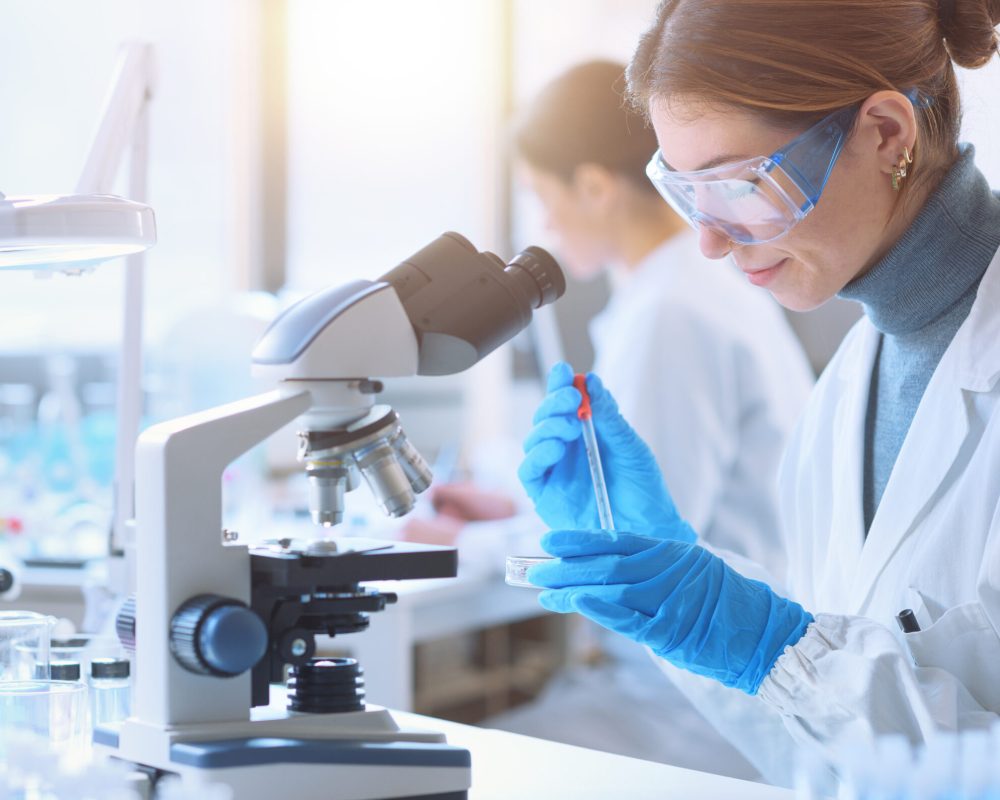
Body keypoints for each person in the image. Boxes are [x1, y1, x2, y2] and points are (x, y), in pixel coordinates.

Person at [519, 0, 1000, 788]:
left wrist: (759, 639)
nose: (708, 239)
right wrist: (697, 609)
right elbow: (828, 746)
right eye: (686, 192)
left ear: (886, 132)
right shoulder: (851, 386)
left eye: (739, 184)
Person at [405, 60, 814, 777]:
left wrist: (456, 546)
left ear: (594, 186)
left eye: (543, 197)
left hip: (694, 703)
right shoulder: (684, 288)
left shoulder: (669, 314)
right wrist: (507, 507)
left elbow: (633, 547)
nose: (544, 226)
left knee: (434, 766)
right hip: (692, 675)